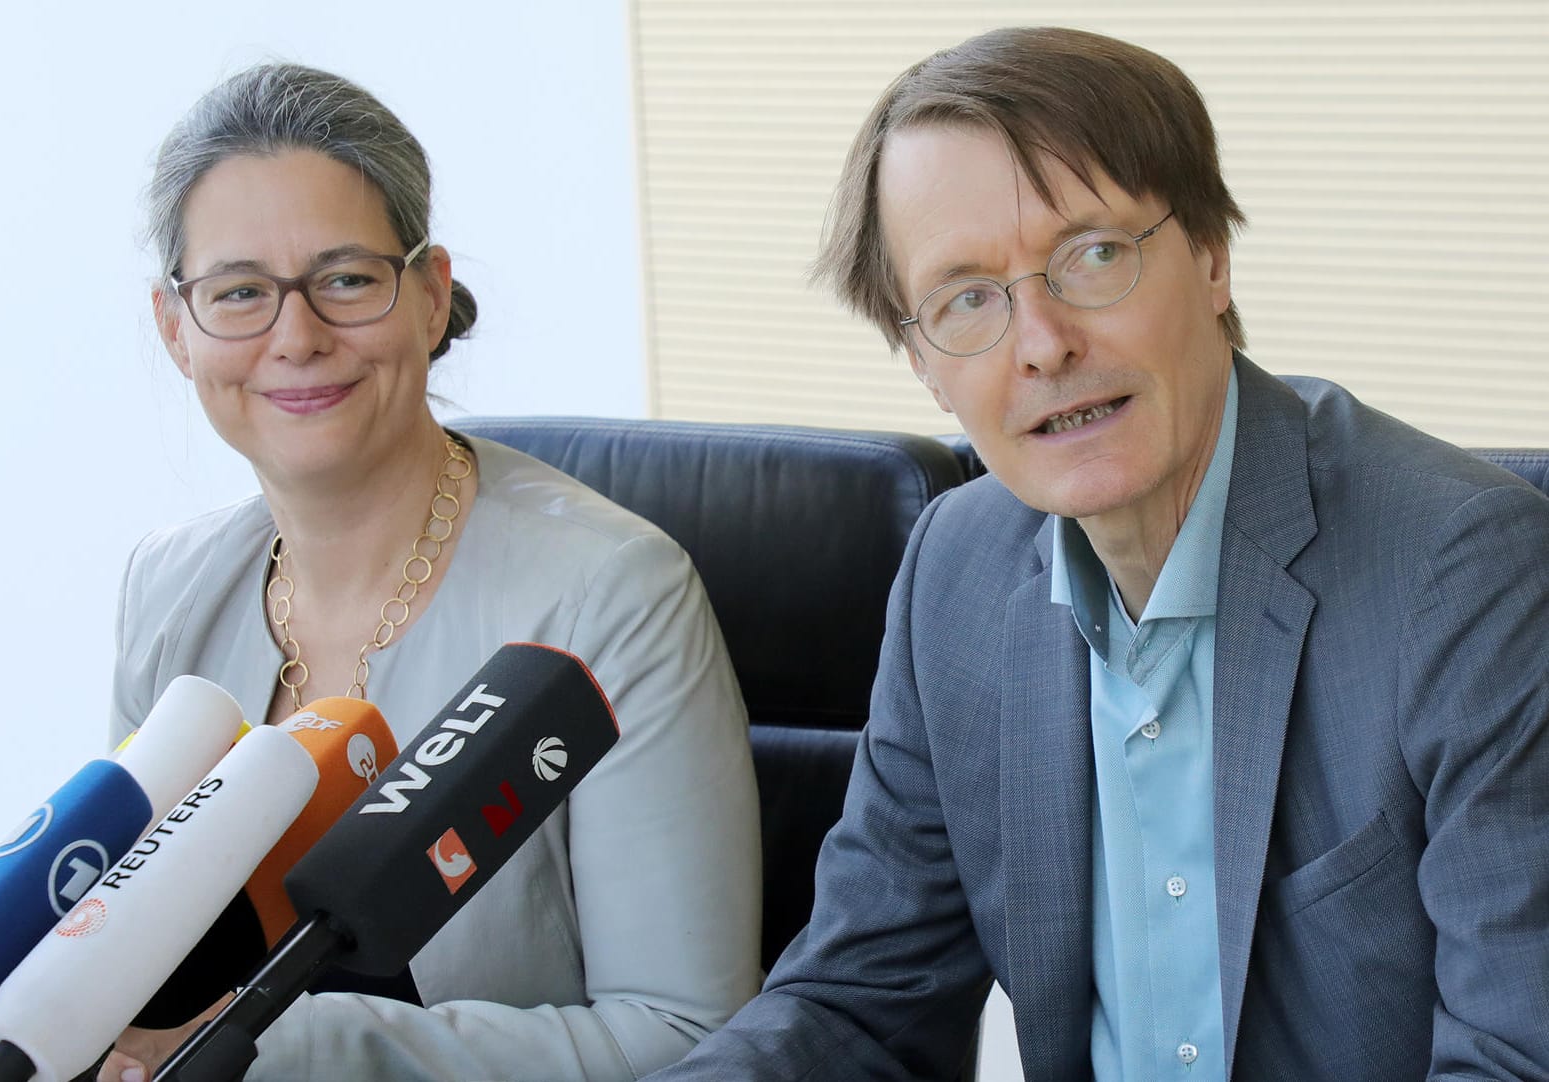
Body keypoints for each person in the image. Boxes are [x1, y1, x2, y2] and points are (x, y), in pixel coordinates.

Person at [650, 25, 1549, 1082]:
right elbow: (859, 1000)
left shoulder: (1465, 571)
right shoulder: (957, 571)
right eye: (968, 298)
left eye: (1091, 255)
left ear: (1210, 257)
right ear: (924, 361)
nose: (1042, 343)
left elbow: (1516, 1057)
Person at [100, 63, 761, 1082]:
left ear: (431, 292)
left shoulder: (613, 593)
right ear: (174, 330)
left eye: (347, 278)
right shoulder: (167, 590)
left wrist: (278, 1048)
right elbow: (119, 966)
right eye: (239, 293)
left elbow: (687, 1034)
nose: (297, 336)